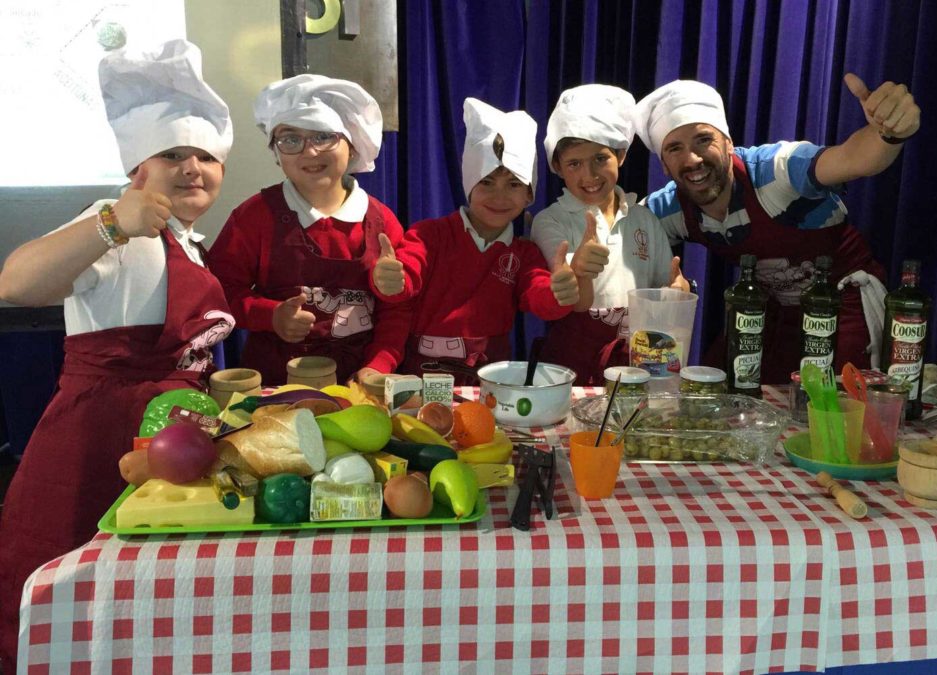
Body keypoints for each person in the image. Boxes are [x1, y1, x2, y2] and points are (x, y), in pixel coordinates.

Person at [0, 39, 235, 672]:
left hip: (166, 438)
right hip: (97, 437)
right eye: (172, 155)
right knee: (64, 586)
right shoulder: (115, 225)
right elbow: (15, 283)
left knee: (137, 606)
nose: (192, 167)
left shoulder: (188, 242)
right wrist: (110, 223)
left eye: (205, 156)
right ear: (138, 169)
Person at [634, 76, 920, 383]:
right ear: (664, 165)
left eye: (704, 140)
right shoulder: (667, 210)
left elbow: (854, 158)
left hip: (841, 307)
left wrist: (888, 134)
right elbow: (619, 236)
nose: (692, 159)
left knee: (834, 406)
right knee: (717, 388)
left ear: (729, 144)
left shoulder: (778, 170)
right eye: (675, 148)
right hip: (768, 314)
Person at [207, 74, 409, 386]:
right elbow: (218, 294)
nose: (309, 152)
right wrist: (269, 315)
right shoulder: (253, 217)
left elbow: (397, 311)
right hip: (275, 389)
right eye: (290, 140)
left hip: (359, 386)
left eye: (323, 136)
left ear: (352, 144)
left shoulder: (381, 222)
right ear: (276, 154)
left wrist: (379, 365)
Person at [369, 98, 579, 379]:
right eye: (487, 183)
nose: (499, 196)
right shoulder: (429, 235)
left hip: (491, 381)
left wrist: (558, 293)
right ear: (469, 184)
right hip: (422, 376)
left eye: (514, 184)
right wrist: (391, 280)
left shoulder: (524, 254)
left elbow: (539, 296)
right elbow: (405, 277)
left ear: (529, 194)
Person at [531, 84, 689, 385]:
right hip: (571, 363)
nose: (588, 175)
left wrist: (674, 294)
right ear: (557, 167)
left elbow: (661, 288)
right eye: (574, 164)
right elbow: (571, 301)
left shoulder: (644, 219)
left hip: (636, 361)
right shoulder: (550, 221)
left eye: (600, 159)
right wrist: (579, 270)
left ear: (621, 155)